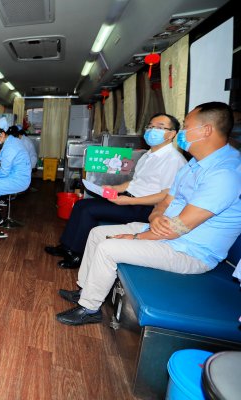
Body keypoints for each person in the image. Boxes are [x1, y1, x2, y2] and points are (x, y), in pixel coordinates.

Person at [56, 102, 241, 326]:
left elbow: (179, 228)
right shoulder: (193, 165)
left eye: (186, 126)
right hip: (162, 232)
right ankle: (86, 290)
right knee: (97, 233)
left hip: (190, 251)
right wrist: (155, 217)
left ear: (206, 130)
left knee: (108, 247)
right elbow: (166, 201)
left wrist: (135, 237)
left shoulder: (225, 174)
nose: (182, 133)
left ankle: (90, 308)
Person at [45, 113, 187, 269]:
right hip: (130, 200)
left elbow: (165, 195)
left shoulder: (173, 160)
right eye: (150, 126)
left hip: (145, 208)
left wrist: (129, 201)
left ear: (171, 134)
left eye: (160, 127)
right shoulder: (148, 155)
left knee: (89, 210)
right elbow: (135, 182)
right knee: (81, 205)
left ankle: (77, 254)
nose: (153, 131)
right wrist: (115, 188)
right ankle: (66, 246)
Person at [0, 124, 32, 199]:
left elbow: (3, 172)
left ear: (2, 134)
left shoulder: (10, 147)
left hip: (18, 180)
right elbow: (4, 154)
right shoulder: (12, 140)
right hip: (18, 176)